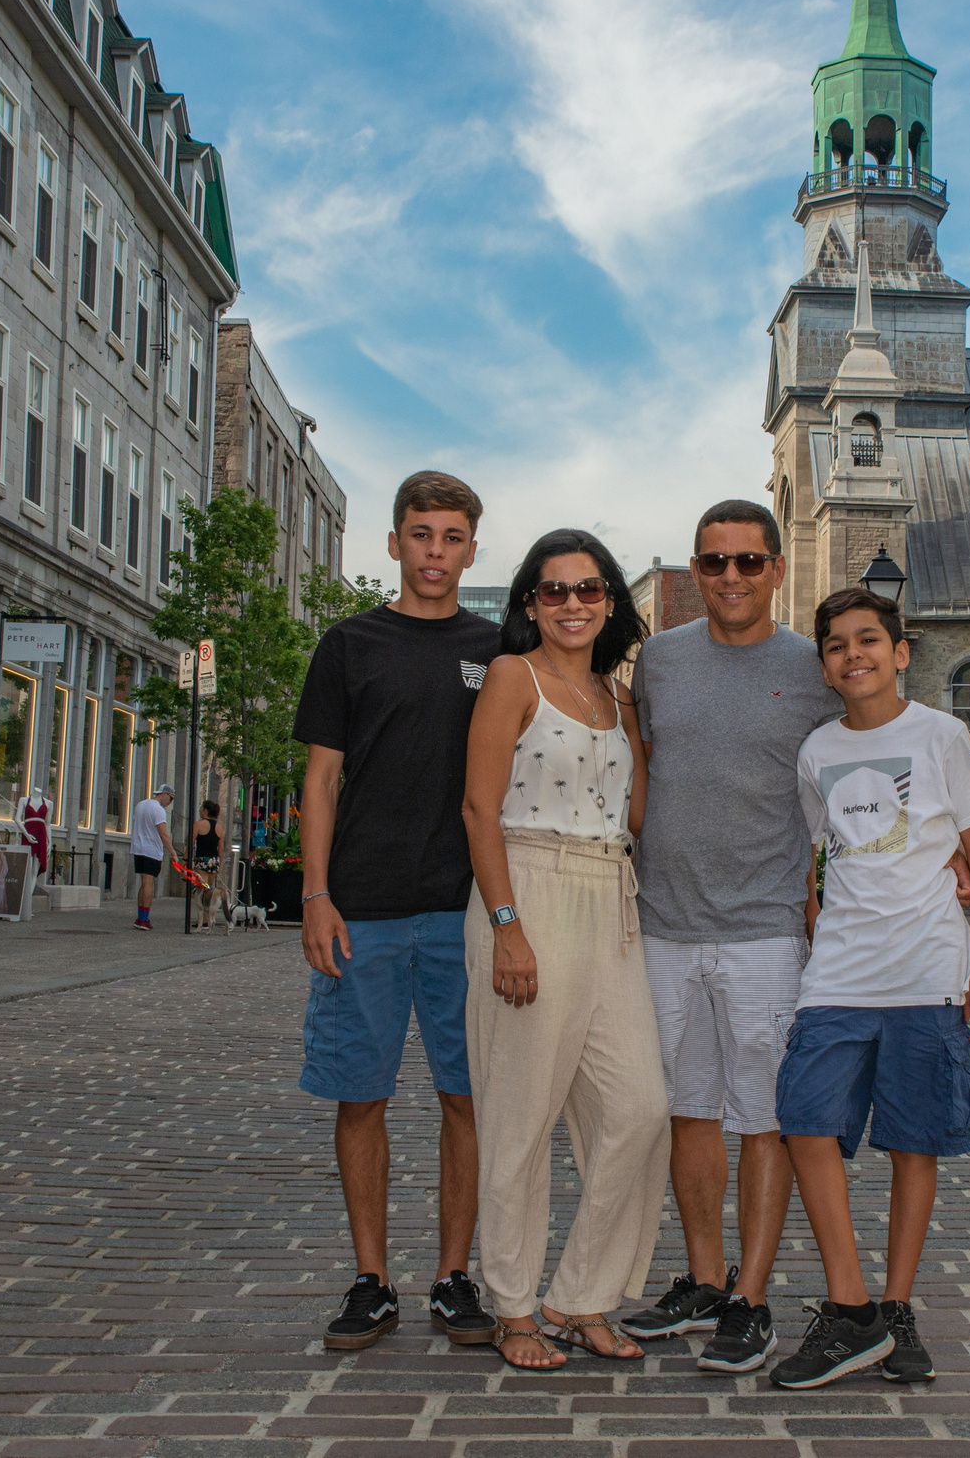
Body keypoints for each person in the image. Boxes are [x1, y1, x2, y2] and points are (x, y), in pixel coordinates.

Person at [615, 501, 842, 1373]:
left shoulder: (812, 669)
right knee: (688, 1108)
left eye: (749, 562)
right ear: (695, 571)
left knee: (766, 1116)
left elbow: (861, 766)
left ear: (778, 569)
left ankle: (752, 1295)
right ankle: (705, 1279)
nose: (731, 577)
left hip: (763, 931)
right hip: (665, 924)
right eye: (714, 563)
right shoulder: (661, 661)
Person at [769, 586, 970, 1391]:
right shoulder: (816, 751)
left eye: (868, 639)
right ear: (826, 665)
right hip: (838, 971)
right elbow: (822, 855)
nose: (853, 654)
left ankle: (895, 1309)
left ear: (900, 651)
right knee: (803, 1117)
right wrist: (813, 914)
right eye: (836, 644)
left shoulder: (940, 735)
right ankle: (850, 1304)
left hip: (928, 973)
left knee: (914, 1141)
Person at [294, 470, 502, 1353]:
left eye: (452, 537)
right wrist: (314, 894)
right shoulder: (349, 644)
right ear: (393, 543)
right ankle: (371, 1278)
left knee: (471, 1099)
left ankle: (455, 1277)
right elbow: (321, 778)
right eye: (421, 534)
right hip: (363, 911)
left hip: (465, 915)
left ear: (471, 548)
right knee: (360, 1097)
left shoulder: (499, 650)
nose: (435, 553)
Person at [460, 530, 669, 1372]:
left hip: (609, 895)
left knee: (640, 1107)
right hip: (528, 887)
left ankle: (581, 1291)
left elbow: (642, 819)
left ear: (611, 600)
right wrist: (508, 923)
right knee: (518, 1117)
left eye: (588, 589)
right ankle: (513, 1307)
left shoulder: (622, 700)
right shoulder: (514, 678)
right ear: (529, 605)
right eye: (553, 591)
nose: (572, 603)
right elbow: (478, 809)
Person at [130, 782, 175, 931]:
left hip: (138, 848)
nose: (170, 802)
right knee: (148, 882)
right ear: (164, 795)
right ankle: (144, 919)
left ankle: (141, 916)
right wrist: (173, 852)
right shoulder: (158, 810)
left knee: (144, 882)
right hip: (151, 850)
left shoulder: (141, 805)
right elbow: (163, 833)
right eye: (171, 798)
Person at [192, 801, 224, 871]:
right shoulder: (220, 828)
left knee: (201, 881)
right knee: (209, 882)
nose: (199, 810)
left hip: (202, 860)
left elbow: (191, 843)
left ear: (205, 811)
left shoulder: (198, 825)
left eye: (201, 808)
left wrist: (185, 859)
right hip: (214, 860)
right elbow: (221, 849)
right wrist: (219, 864)